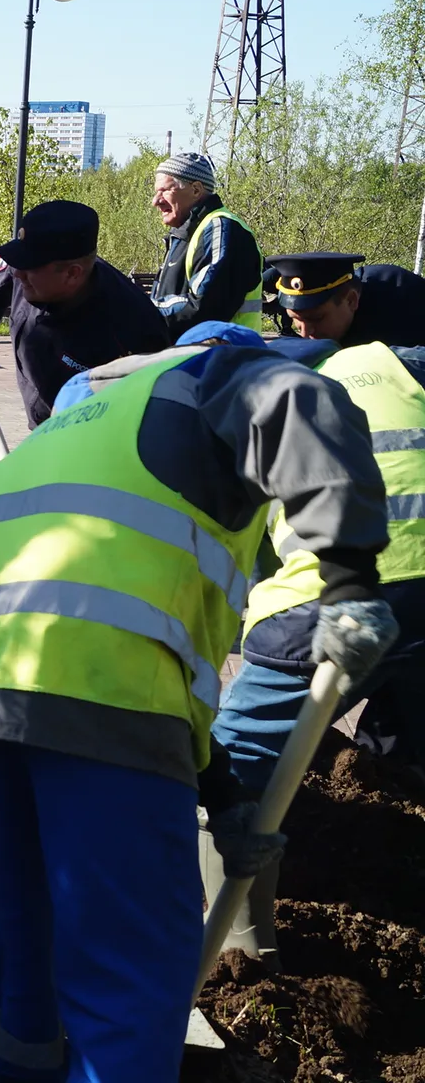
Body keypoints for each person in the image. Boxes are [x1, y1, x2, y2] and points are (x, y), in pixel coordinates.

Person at [0, 320, 396, 1081]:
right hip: (90, 664)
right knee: (134, 948)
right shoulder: (221, 374)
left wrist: (222, 797)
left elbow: (158, 662)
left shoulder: (97, 408)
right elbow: (294, 396)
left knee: (35, 916)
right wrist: (348, 581)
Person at [206, 335, 425, 967]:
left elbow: (235, 564)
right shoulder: (396, 366)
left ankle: (239, 955)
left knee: (237, 758)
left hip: (333, 597)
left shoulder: (241, 405)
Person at [0, 199, 169, 426]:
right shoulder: (27, 271)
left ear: (72, 274)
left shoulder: (136, 327)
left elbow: (148, 414)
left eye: (29, 266)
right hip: (43, 421)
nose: (17, 274)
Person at [149, 151, 264, 337]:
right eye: (156, 191)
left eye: (165, 190)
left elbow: (204, 307)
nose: (156, 201)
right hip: (194, 357)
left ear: (196, 189)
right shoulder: (185, 233)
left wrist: (141, 310)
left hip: (225, 358)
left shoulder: (222, 229)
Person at [262, 251, 425, 348]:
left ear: (351, 301)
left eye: (316, 318)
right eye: (295, 320)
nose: (305, 332)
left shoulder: (405, 305)